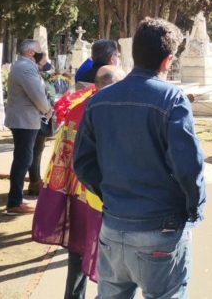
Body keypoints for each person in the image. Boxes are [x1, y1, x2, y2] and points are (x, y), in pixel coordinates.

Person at [74, 18, 205, 299]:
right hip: (161, 228)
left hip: (114, 227)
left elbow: (82, 163)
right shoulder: (172, 99)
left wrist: (110, 194)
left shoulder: (98, 101)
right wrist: (195, 207)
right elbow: (189, 167)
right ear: (168, 60)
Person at [33, 64, 125, 299]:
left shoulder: (78, 108)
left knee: (78, 251)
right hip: (106, 198)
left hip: (75, 195)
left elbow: (61, 158)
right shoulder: (116, 110)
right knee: (117, 262)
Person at [5, 39, 52, 214]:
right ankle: (14, 202)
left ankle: (16, 199)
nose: (41, 54)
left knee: (23, 158)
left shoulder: (23, 66)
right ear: (31, 52)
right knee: (23, 160)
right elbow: (37, 95)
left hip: (25, 119)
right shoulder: (25, 67)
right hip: (24, 120)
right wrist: (48, 110)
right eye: (39, 51)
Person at [26, 51, 58, 197]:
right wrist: (47, 110)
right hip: (38, 117)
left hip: (43, 116)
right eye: (44, 60)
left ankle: (36, 180)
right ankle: (34, 182)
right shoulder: (35, 76)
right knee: (35, 151)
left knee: (38, 150)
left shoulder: (44, 75)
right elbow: (40, 96)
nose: (47, 63)